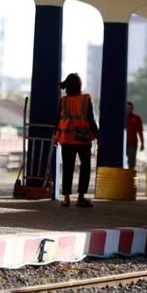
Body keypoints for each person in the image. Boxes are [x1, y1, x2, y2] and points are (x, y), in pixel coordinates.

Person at [54, 73, 99, 208]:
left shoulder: (63, 101)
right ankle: (80, 198)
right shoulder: (86, 99)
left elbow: (57, 120)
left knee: (68, 168)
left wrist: (54, 137)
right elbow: (91, 120)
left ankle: (66, 199)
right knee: (85, 168)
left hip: (66, 139)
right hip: (83, 139)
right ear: (79, 85)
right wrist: (99, 136)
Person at [125, 101, 144, 169]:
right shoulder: (121, 118)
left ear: (132, 109)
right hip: (123, 144)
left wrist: (142, 142)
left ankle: (129, 177)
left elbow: (140, 131)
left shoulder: (136, 118)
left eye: (130, 108)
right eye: (127, 108)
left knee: (131, 162)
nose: (128, 110)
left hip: (132, 144)